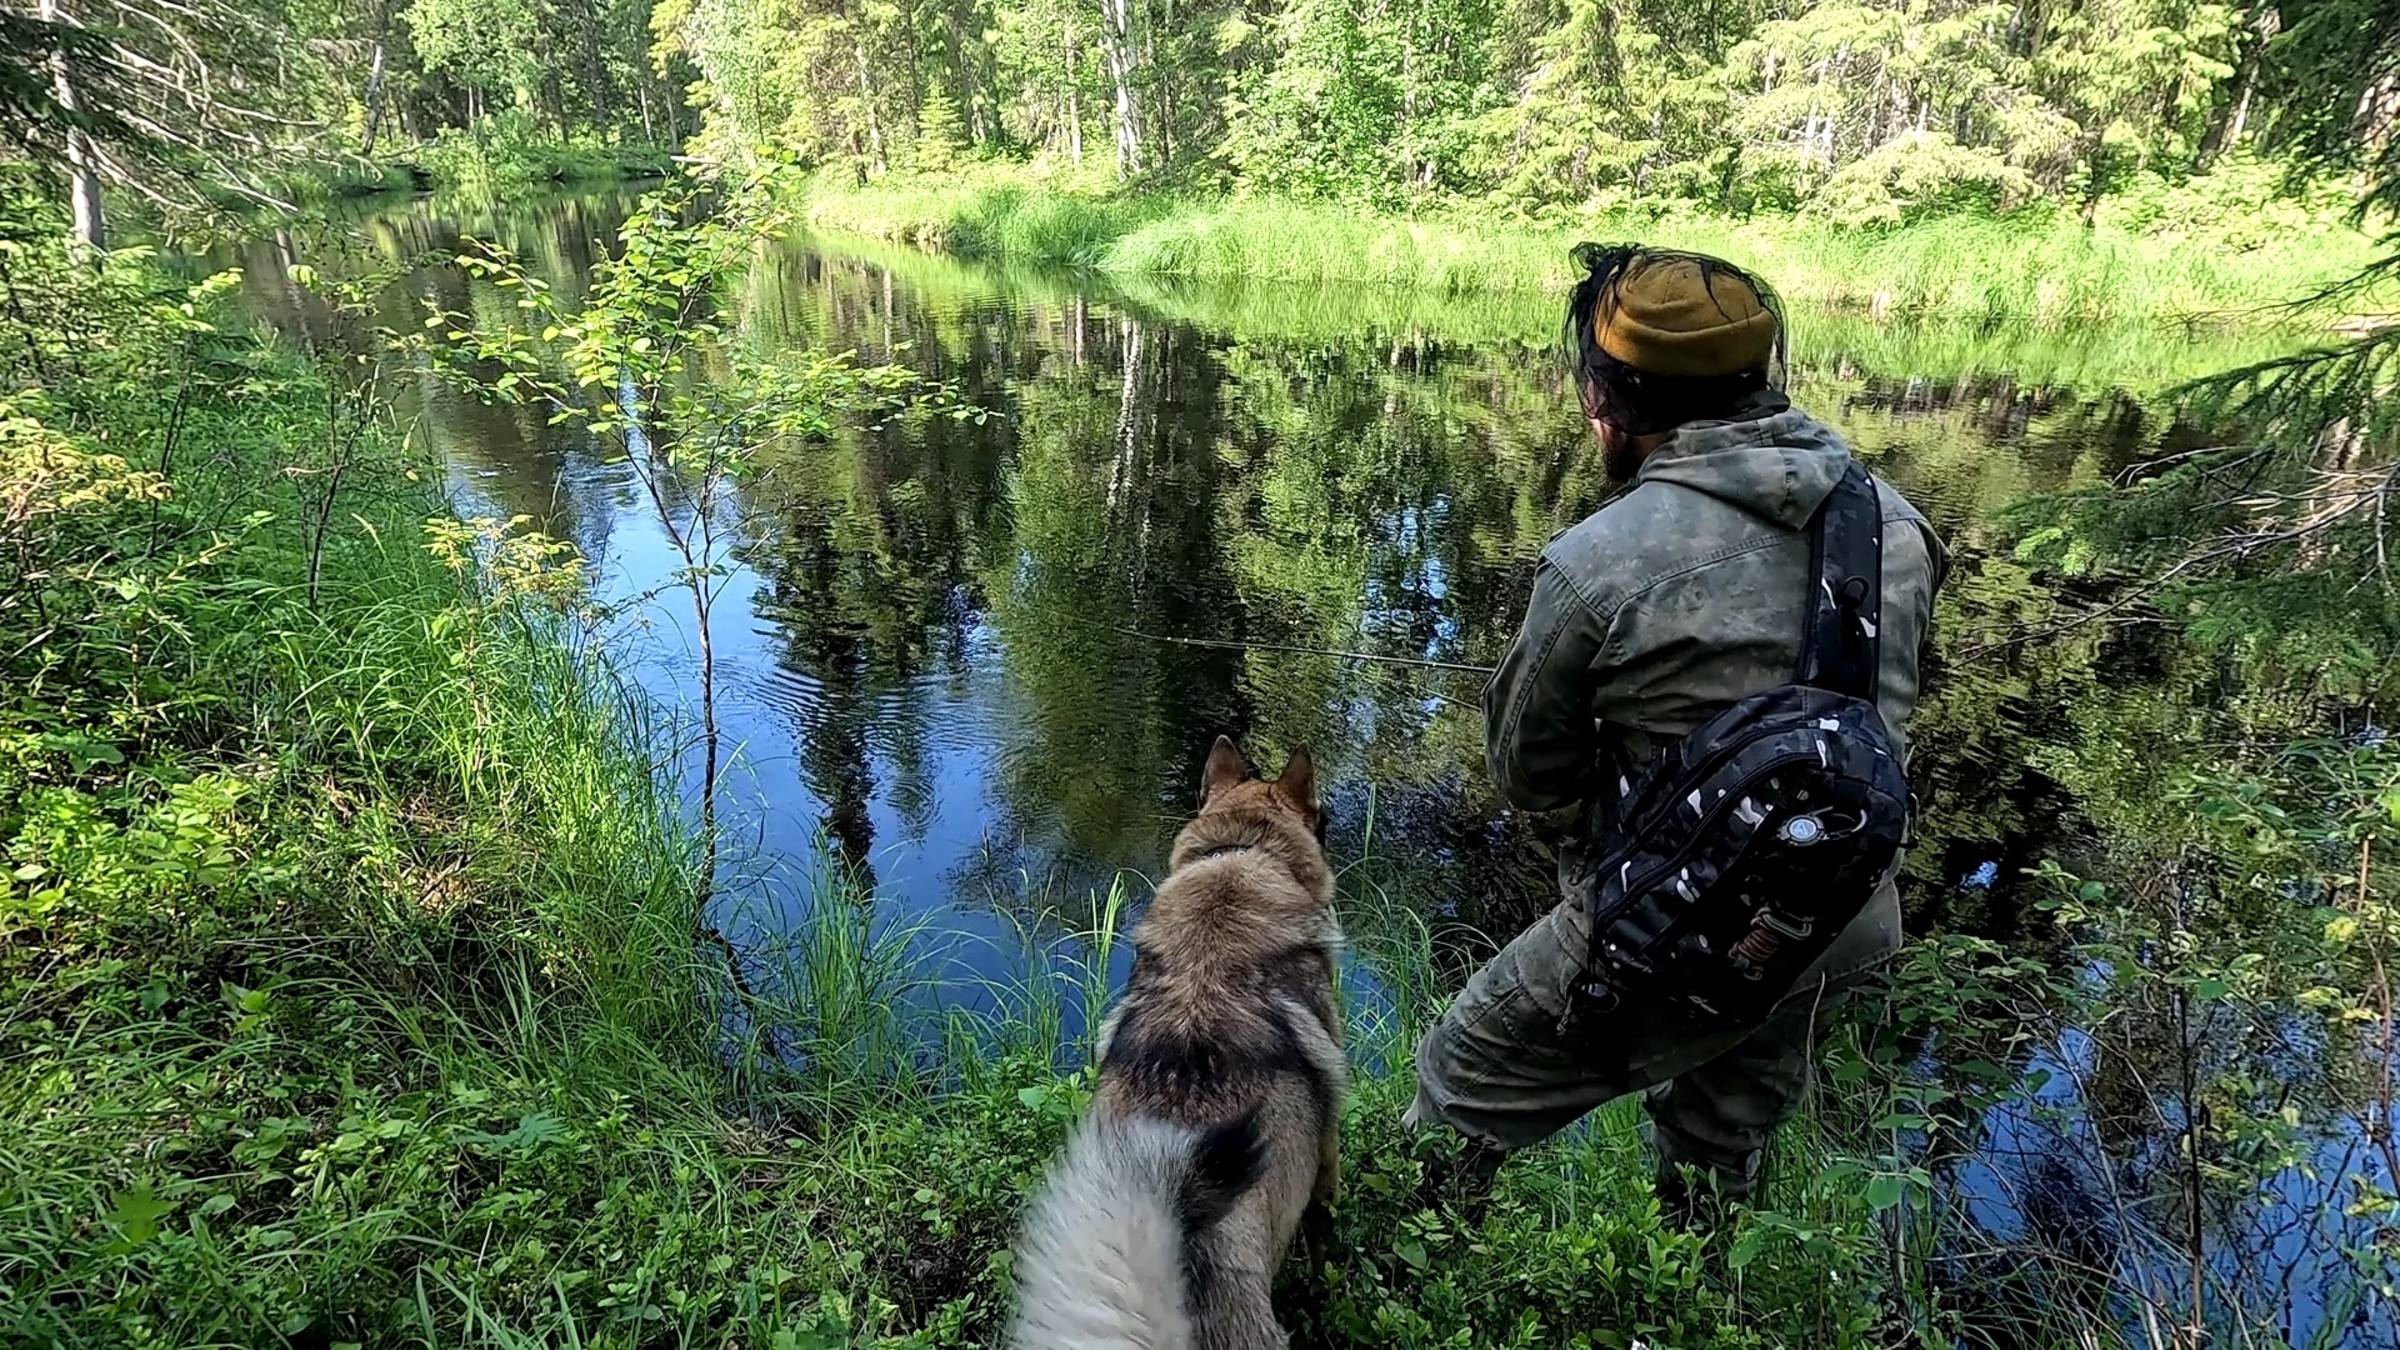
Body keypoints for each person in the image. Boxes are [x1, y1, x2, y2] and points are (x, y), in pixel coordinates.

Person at [1405, 243, 1947, 1215]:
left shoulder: (1600, 563)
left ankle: (1401, 1273)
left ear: (1607, 398)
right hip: (1844, 917)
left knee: (1461, 1082)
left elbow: (1530, 774)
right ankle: (1694, 1282)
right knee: (1718, 1141)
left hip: (1675, 920)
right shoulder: (1895, 525)